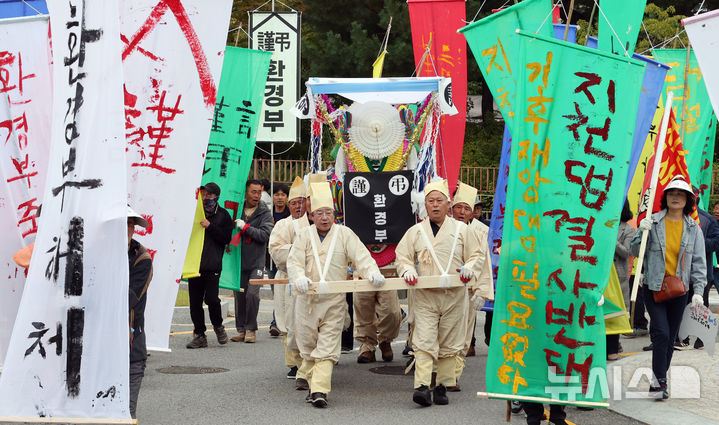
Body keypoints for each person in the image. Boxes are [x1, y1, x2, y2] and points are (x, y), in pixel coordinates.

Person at [287, 182, 385, 408]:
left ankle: (320, 390)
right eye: (319, 213)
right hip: (307, 300)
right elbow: (294, 262)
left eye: (328, 213)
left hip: (334, 301)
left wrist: (372, 272)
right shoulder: (303, 235)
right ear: (311, 215)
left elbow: (361, 256)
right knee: (308, 346)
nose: (324, 217)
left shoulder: (344, 234)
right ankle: (310, 378)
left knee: (328, 346)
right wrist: (298, 277)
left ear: (334, 214)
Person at [395, 179, 488, 407]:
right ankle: (422, 386)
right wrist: (406, 269)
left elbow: (477, 255)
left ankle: (443, 385)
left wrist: (470, 268)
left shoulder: (462, 230)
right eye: (430, 201)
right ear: (425, 205)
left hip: (454, 295)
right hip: (425, 295)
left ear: (449, 204)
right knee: (424, 340)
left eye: (439, 201)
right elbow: (403, 256)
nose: (435, 205)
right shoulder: (415, 231)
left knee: (449, 342)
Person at [630, 176, 706, 399]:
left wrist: (699, 292)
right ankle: (660, 381)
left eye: (680, 194)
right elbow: (636, 251)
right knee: (661, 334)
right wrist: (640, 232)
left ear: (688, 200)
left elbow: (700, 262)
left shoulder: (693, 228)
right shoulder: (652, 222)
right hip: (654, 287)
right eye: (672, 193)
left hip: (679, 291)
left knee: (671, 337)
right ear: (665, 198)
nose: (676, 197)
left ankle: (658, 380)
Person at [448, 182, 493, 390]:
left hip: (466, 293)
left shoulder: (477, 233)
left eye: (467, 208)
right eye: (459, 207)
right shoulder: (441, 230)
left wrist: (481, 293)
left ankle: (454, 375)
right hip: (444, 291)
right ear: (452, 208)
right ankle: (439, 373)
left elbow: (484, 266)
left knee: (464, 336)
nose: (462, 212)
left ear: (472, 213)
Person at [268, 177, 310, 379]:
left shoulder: (314, 224)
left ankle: (311, 359)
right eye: (293, 203)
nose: (297, 206)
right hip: (287, 279)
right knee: (287, 323)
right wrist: (300, 251)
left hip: (310, 281)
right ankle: (294, 363)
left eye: (301, 202)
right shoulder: (282, 225)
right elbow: (276, 251)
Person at [186, 183, 234, 349]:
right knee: (195, 302)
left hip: (213, 265)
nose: (205, 198)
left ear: (216, 196)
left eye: (208, 195)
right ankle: (199, 335)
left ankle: (218, 326)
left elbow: (226, 238)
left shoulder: (223, 215)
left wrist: (210, 226)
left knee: (212, 299)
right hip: (194, 264)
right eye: (203, 194)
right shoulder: (194, 211)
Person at [232, 179, 274, 343]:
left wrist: (246, 228)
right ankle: (241, 329)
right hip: (238, 259)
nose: (257, 195)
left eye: (259, 192)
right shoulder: (238, 209)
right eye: (253, 192)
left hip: (256, 261)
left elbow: (265, 235)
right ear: (246, 192)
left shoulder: (264, 212)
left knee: (252, 295)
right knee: (239, 295)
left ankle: (251, 329)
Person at [685, 187, 719, 349]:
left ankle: (701, 337)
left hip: (702, 271)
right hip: (680, 272)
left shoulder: (707, 220)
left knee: (700, 304)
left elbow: (715, 242)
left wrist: (696, 244)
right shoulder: (676, 217)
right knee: (681, 304)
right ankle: (680, 338)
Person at [127, 206, 153, 419]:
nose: (127, 229)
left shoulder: (141, 258)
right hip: (98, 346)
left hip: (131, 339)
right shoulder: (97, 253)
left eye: (130, 224)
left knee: (126, 412)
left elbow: (129, 298)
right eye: (123, 223)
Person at [607, 201, 633, 361]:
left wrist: (610, 238)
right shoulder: (599, 225)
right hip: (601, 276)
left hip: (617, 276)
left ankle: (613, 347)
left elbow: (626, 252)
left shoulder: (629, 229)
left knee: (615, 313)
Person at [268, 183, 291, 337]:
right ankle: (277, 320)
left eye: (283, 194)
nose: (280, 197)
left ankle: (278, 322)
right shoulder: (267, 214)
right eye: (277, 194)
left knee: (286, 293)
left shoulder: (291, 216)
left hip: (288, 262)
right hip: (271, 259)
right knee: (276, 291)